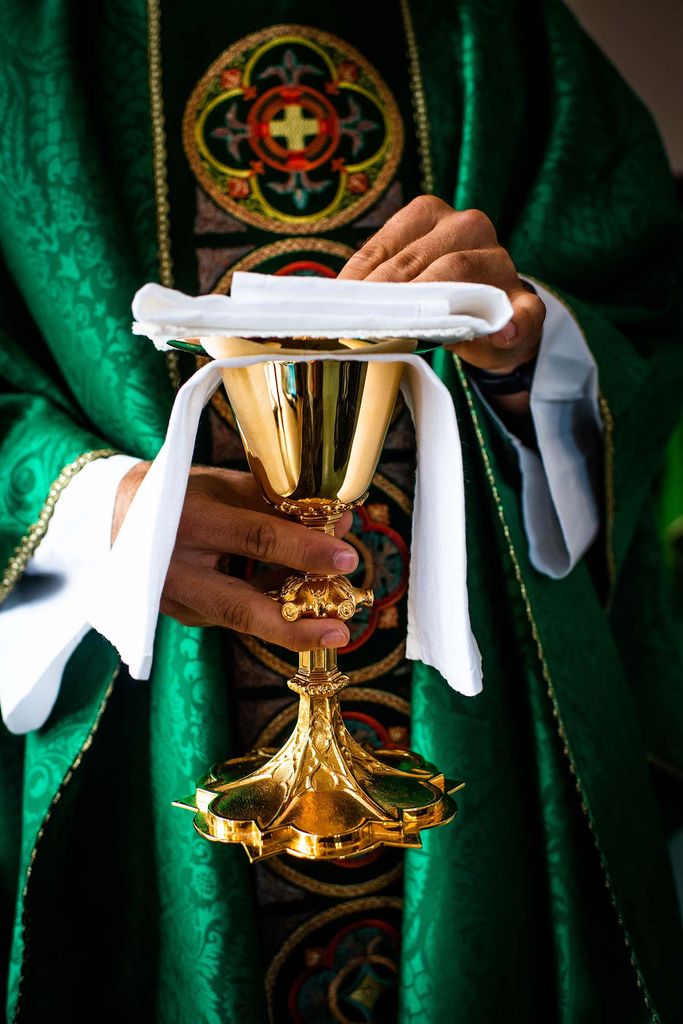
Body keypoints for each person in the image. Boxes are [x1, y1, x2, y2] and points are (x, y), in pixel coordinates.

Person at [0, 1, 682, 1022]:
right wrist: (91, 514)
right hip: (140, 737)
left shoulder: (490, 28)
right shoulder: (29, 40)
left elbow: (642, 296)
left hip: (478, 751)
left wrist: (532, 355)